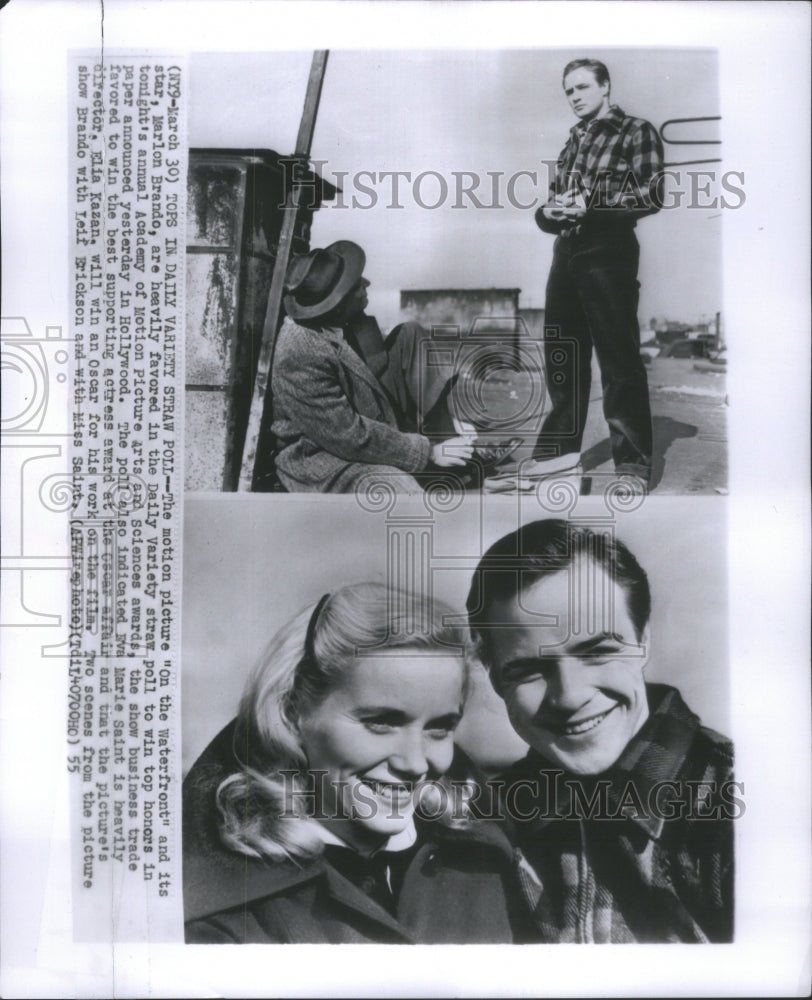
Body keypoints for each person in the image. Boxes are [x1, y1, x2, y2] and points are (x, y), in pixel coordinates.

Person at [183, 582, 532, 944]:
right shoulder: (220, 912)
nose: (414, 764)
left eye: (440, 728)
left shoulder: (487, 861)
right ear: (292, 715)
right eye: (381, 722)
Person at [466, 519, 735, 942]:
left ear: (642, 640)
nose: (569, 696)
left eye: (597, 652)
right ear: (496, 678)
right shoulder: (487, 822)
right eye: (528, 669)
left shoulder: (740, 799)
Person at [529, 59, 664, 488]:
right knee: (563, 358)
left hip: (609, 249)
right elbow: (554, 203)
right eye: (568, 91)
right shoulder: (574, 140)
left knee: (618, 359)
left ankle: (632, 465)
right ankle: (558, 458)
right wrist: (548, 212)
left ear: (606, 87)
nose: (575, 97)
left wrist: (595, 206)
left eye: (583, 87)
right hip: (566, 250)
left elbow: (652, 194)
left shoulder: (635, 131)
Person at [270, 240, 476, 493]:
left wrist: (448, 421)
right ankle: (437, 457)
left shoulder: (343, 320)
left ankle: (449, 439)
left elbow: (375, 370)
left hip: (362, 419)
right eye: (357, 285)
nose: (366, 284)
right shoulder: (299, 350)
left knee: (410, 333)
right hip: (328, 455)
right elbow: (346, 436)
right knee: (402, 493)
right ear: (337, 304)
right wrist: (428, 451)